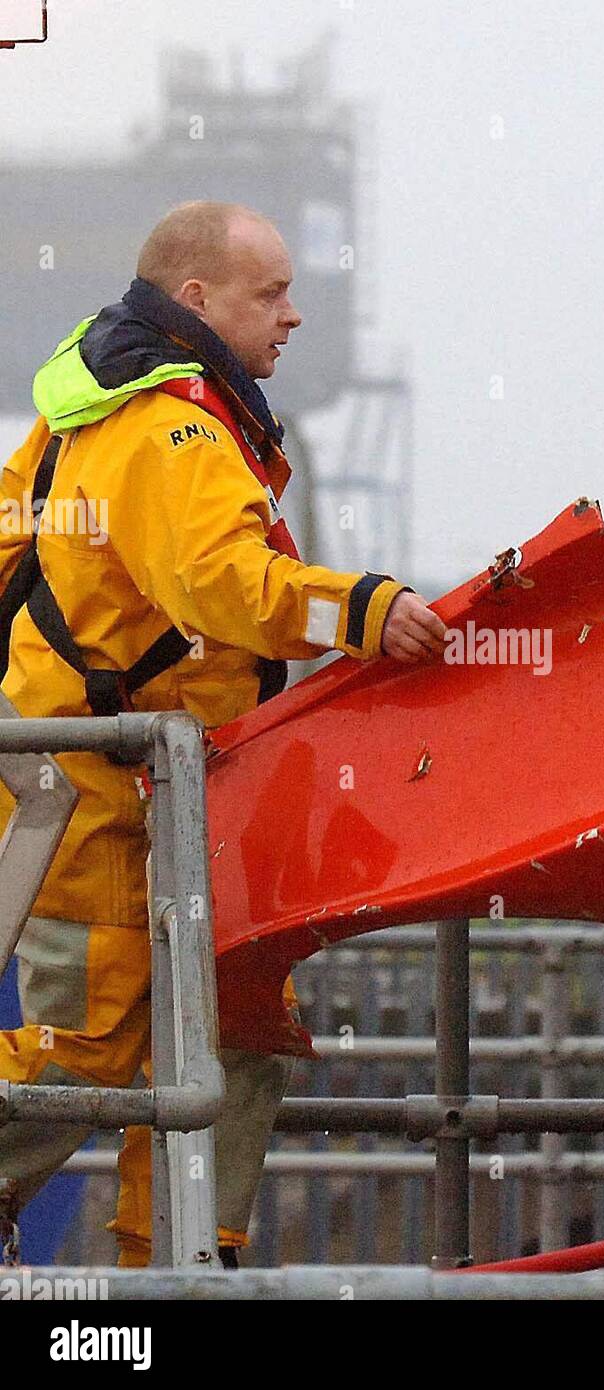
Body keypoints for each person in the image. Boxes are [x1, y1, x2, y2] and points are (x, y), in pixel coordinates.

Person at [0, 200, 446, 1267]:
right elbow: (224, 585)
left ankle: (187, 1265)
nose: (294, 315)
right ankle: (176, 1267)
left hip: (177, 800)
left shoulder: (88, 403)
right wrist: (367, 610)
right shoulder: (174, 425)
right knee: (93, 1059)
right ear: (196, 300)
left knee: (237, 1037)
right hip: (109, 802)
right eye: (272, 293)